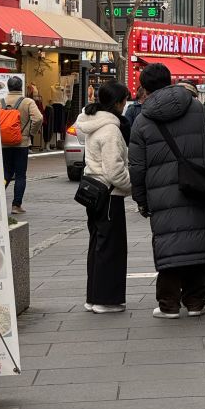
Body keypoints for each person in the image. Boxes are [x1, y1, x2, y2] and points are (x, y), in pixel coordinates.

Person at [129, 63, 205, 318]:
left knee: (168, 243)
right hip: (196, 187)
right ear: (170, 81)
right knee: (195, 239)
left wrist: (141, 199)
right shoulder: (196, 108)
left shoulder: (142, 119)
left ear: (145, 88)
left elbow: (136, 166)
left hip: (160, 193)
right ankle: (195, 302)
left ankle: (169, 304)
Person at [75, 82, 132, 314]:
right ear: (117, 102)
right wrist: (131, 186)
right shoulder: (111, 129)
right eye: (124, 100)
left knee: (98, 245)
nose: (125, 104)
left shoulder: (91, 122)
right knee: (111, 248)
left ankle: (93, 296)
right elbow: (114, 169)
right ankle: (105, 300)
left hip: (93, 192)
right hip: (109, 194)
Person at [2, 76, 43, 214]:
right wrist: (30, 132)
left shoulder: (0, 102)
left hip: (4, 143)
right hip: (21, 143)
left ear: (8, 87)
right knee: (20, 175)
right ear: (21, 87)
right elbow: (38, 118)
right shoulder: (27, 102)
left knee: (6, 173)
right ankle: (16, 205)